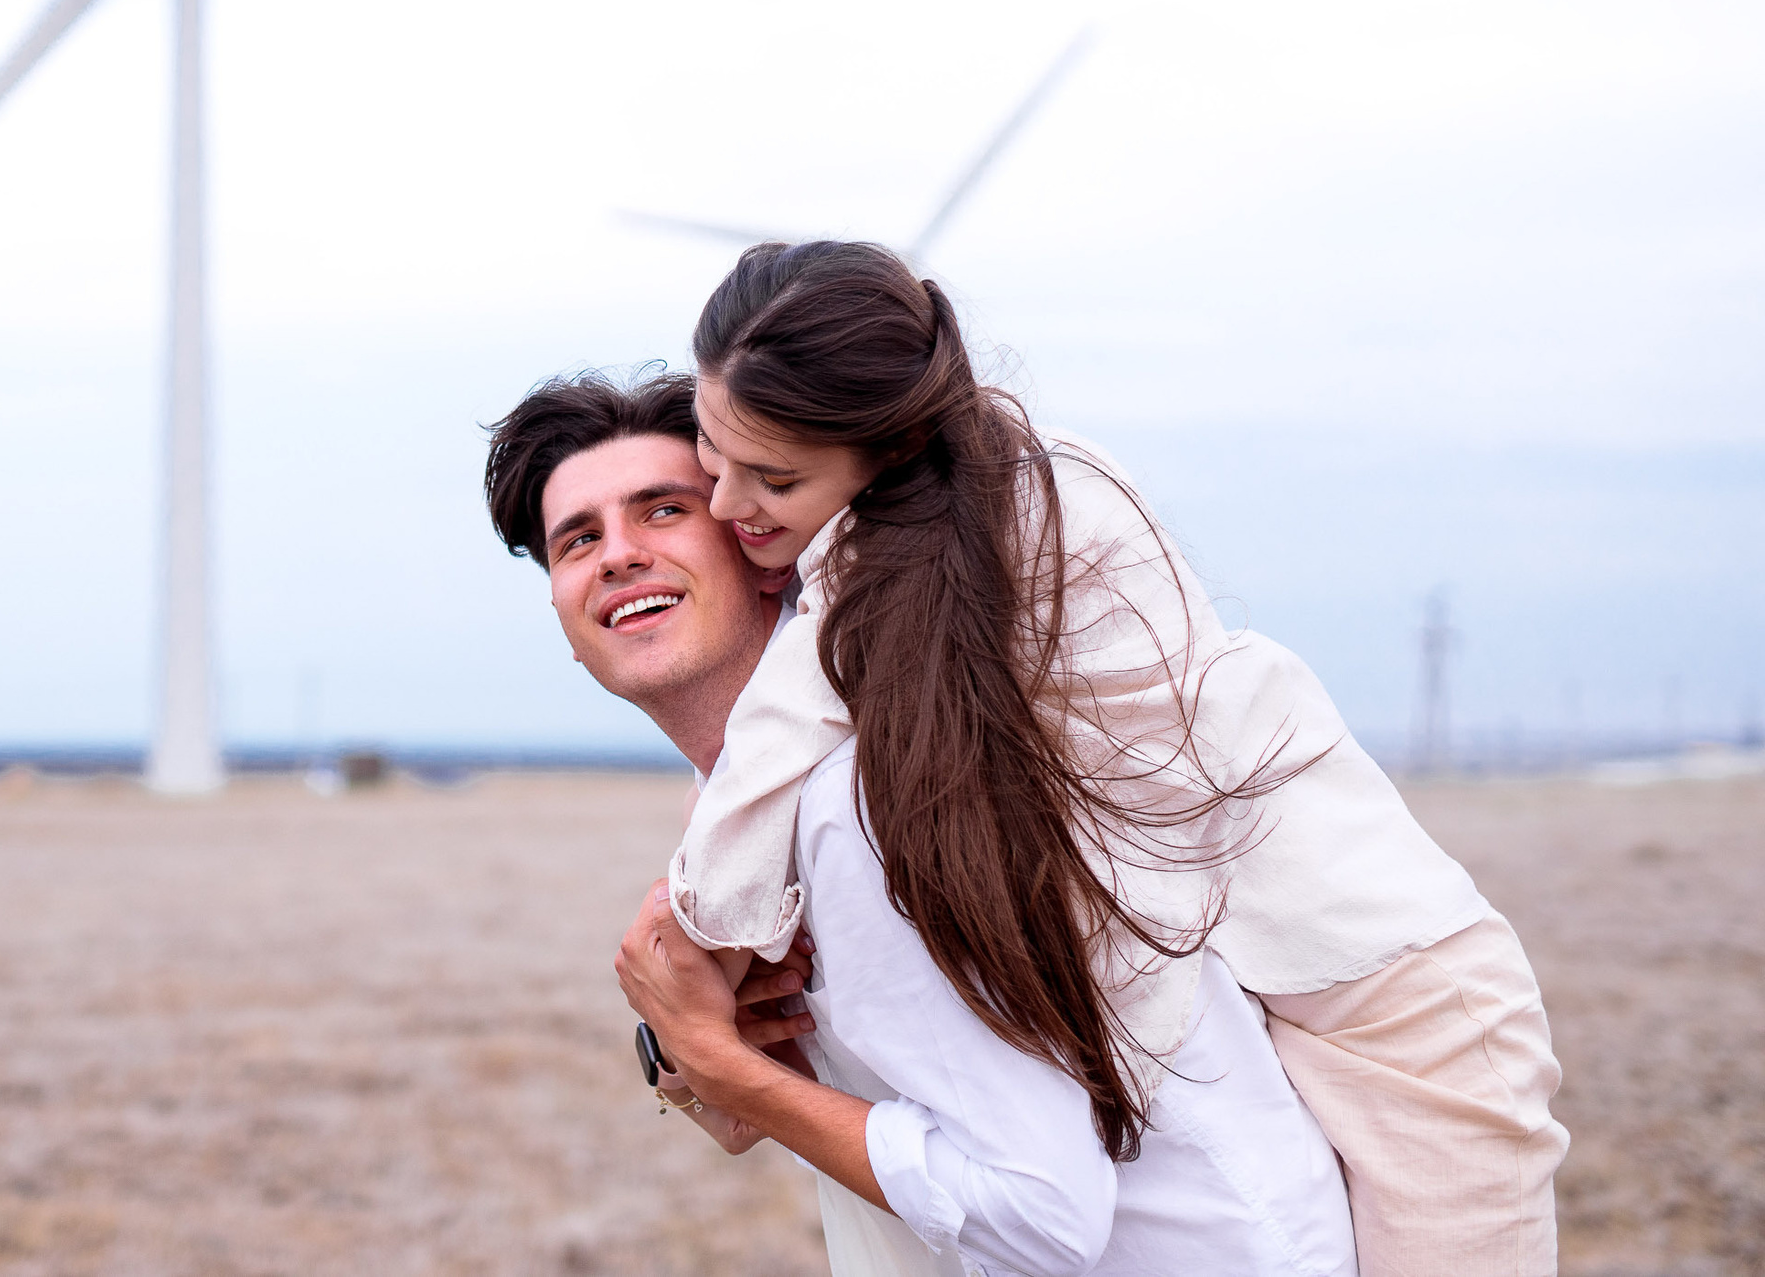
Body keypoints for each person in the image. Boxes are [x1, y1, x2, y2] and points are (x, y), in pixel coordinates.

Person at [639, 242, 1564, 1276]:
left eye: (774, 478)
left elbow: (777, 746)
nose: (726, 504)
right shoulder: (913, 563)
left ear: (892, 452)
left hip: (1401, 1010)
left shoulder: (1026, 505)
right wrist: (691, 1041)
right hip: (1264, 982)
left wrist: (683, 947)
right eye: (712, 460)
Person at [482, 368, 1358, 1275]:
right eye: (577, 539)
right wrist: (695, 1055)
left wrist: (720, 1059)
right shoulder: (740, 812)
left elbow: (1044, 1213)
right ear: (560, 605)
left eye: (663, 510)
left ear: (757, 539)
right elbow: (835, 1110)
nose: (618, 553)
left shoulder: (863, 794)